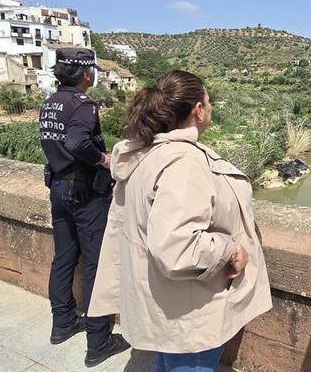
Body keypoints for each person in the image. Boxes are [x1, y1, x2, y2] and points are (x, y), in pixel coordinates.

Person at [89, 70, 273, 372]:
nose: (210, 108)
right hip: (190, 318)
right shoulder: (184, 161)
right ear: (198, 110)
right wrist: (231, 249)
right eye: (208, 102)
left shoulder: (146, 154)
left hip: (166, 308)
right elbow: (177, 247)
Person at [39, 48, 130, 367]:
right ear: (87, 75)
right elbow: (77, 142)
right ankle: (98, 341)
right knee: (95, 265)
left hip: (58, 187)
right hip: (84, 193)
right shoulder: (83, 104)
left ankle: (62, 323)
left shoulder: (50, 103)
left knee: (63, 258)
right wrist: (104, 160)